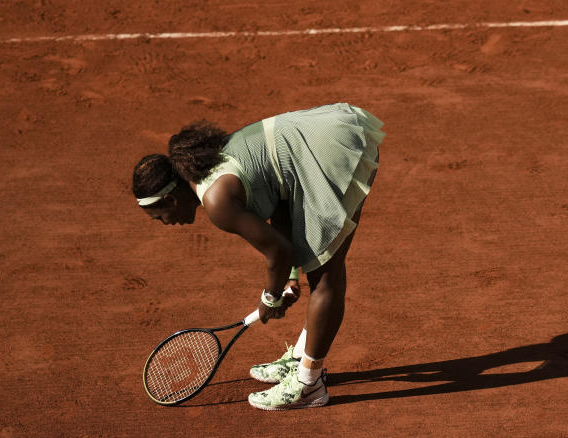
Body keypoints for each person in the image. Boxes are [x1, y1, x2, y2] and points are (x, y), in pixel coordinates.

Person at [131, 102, 384, 410]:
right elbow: (280, 199)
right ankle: (303, 357)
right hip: (328, 134)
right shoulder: (208, 165)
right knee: (317, 269)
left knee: (326, 277)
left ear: (170, 199)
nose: (167, 224)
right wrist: (290, 278)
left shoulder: (216, 202)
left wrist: (270, 297)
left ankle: (309, 384)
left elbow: (278, 250)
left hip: (332, 152)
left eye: (161, 217)